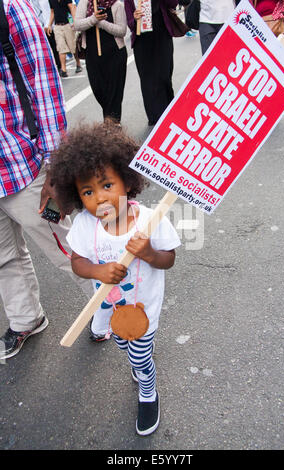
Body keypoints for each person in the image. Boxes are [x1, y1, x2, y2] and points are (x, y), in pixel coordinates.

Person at [49, 121, 181, 436]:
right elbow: (78, 262)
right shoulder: (84, 224)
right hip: (110, 310)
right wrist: (96, 271)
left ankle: (148, 390)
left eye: (107, 185)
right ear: (77, 196)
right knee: (124, 344)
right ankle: (139, 365)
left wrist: (149, 253)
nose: (99, 198)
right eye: (88, 191)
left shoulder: (150, 221)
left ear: (126, 180)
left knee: (139, 354)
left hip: (142, 309)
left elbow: (169, 259)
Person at [0, 0, 96, 361]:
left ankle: (110, 309)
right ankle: (26, 319)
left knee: (67, 246)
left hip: (22, 166)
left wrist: (56, 169)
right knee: (3, 257)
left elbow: (43, 84)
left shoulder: (9, 10)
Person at [124, 0, 178, 126]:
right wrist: (135, 18)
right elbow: (130, 22)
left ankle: (169, 110)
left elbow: (173, 3)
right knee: (147, 79)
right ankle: (154, 117)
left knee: (164, 75)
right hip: (141, 41)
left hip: (162, 35)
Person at [74, 0, 128, 123]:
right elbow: (77, 25)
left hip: (115, 55)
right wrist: (93, 19)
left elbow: (122, 31)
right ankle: (110, 122)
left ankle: (113, 125)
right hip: (93, 56)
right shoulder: (85, 3)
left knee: (114, 93)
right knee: (99, 90)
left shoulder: (116, 5)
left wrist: (102, 23)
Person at [47, 0, 82, 77]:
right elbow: (52, 11)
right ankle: (64, 70)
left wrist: (74, 21)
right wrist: (49, 25)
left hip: (68, 24)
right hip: (57, 26)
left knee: (73, 46)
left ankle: (78, 63)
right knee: (61, 47)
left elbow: (71, 7)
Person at [30, 0, 62, 73]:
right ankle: (53, 66)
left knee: (54, 46)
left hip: (49, 25)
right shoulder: (31, 2)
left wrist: (48, 24)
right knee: (47, 47)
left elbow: (49, 11)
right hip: (40, 26)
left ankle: (59, 65)